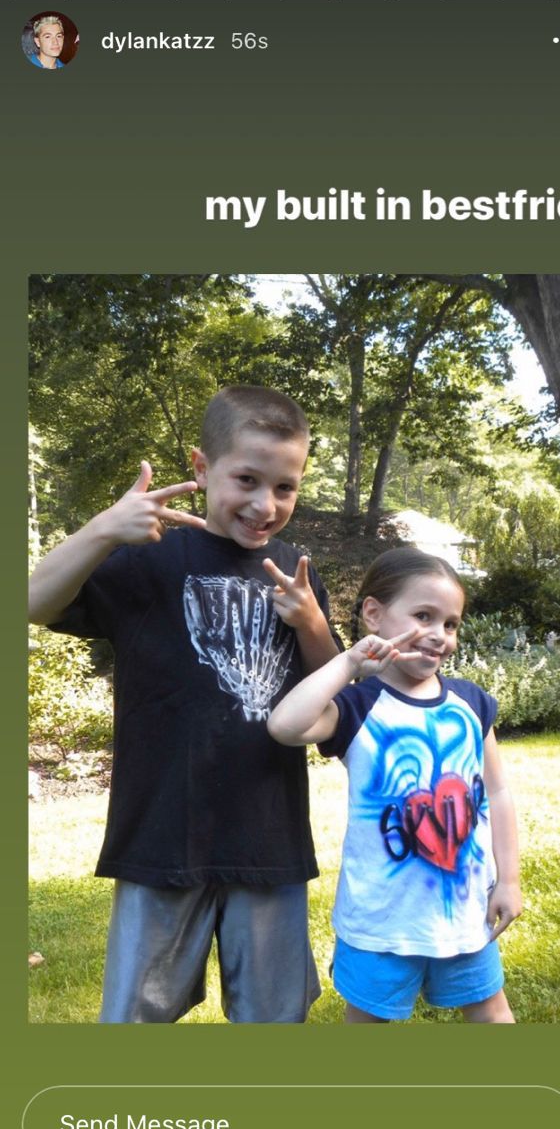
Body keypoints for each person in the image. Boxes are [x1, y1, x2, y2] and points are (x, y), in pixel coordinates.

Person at [29, 385, 341, 1023]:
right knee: (134, 1019)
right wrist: (102, 531)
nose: (265, 504)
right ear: (201, 469)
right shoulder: (148, 557)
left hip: (268, 839)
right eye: (247, 479)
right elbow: (31, 601)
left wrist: (312, 623)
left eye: (285, 487)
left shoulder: (293, 570)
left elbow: (337, 697)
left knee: (275, 1018)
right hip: (161, 834)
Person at [268, 547, 522, 1024]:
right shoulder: (358, 706)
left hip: (465, 914)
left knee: (491, 1011)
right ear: (374, 614)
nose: (439, 635)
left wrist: (508, 880)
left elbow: (498, 791)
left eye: (450, 624)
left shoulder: (471, 703)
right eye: (423, 615)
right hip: (381, 921)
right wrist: (347, 664)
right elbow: (284, 725)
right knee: (370, 1023)